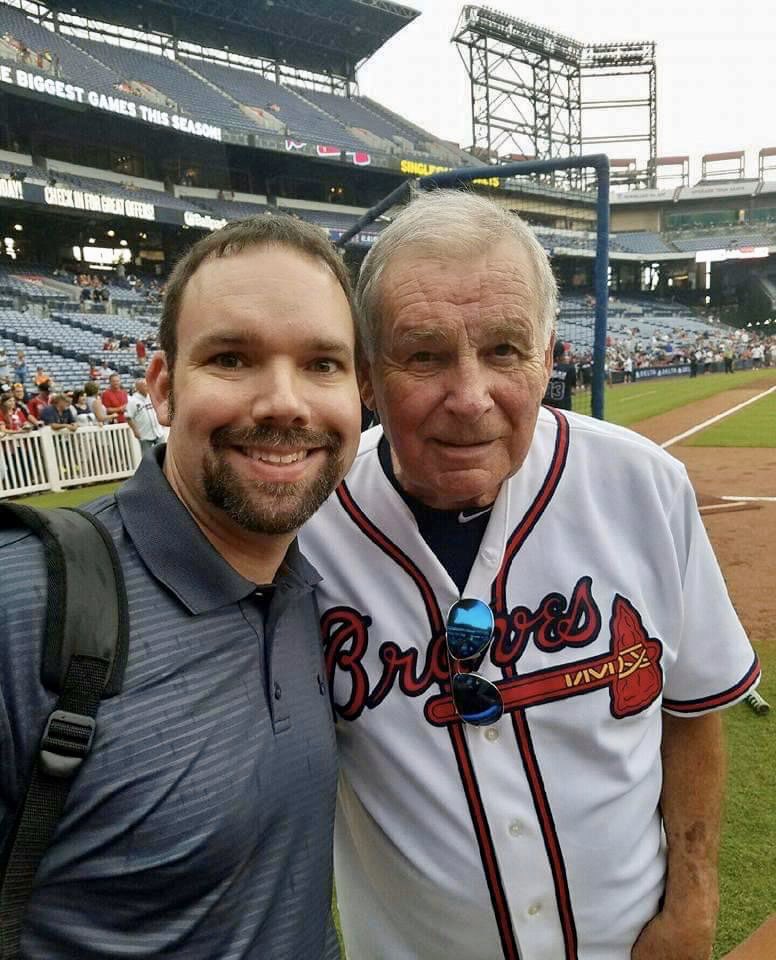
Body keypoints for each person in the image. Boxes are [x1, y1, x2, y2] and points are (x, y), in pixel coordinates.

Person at [299, 190, 760, 960]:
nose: (471, 396)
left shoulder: (641, 483)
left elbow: (690, 710)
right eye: (425, 354)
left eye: (506, 350)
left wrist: (693, 907)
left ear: (550, 356)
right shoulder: (304, 531)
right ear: (368, 374)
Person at [0, 214, 361, 957]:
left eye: (323, 363)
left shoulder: (308, 592)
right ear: (162, 388)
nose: (285, 402)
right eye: (232, 357)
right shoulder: (21, 601)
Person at [125, 378, 164, 452]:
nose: (147, 387)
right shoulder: (132, 401)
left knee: (163, 453)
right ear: (138, 388)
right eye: (145, 386)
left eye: (147, 385)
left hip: (158, 431)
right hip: (144, 433)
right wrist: (135, 431)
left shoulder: (152, 396)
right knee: (147, 456)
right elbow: (128, 417)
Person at [543, 339, 576, 410]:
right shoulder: (570, 368)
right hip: (563, 410)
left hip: (544, 409)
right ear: (560, 355)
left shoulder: (542, 368)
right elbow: (573, 390)